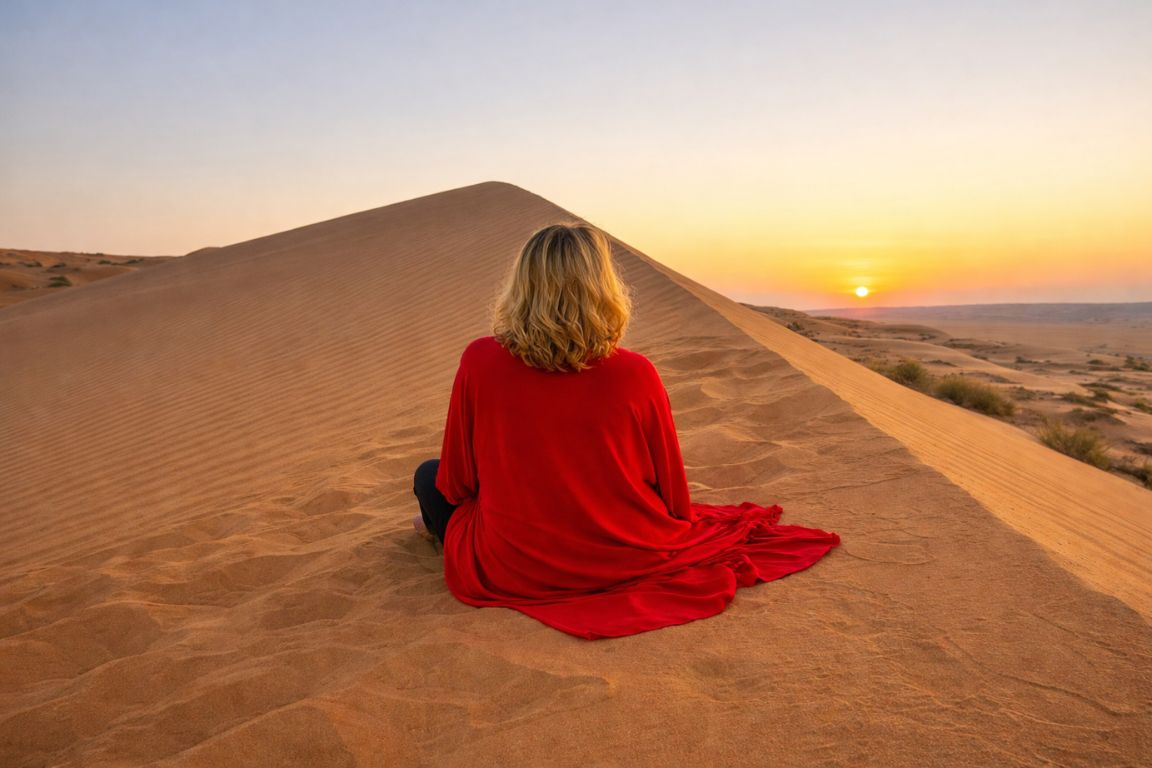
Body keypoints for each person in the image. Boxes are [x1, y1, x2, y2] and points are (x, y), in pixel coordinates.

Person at [412, 222, 840, 639]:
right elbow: (672, 489)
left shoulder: (481, 361)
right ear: (604, 289)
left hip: (517, 569)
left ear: (521, 286)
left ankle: (437, 532)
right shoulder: (636, 373)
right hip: (628, 550)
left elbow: (457, 480)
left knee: (427, 478)